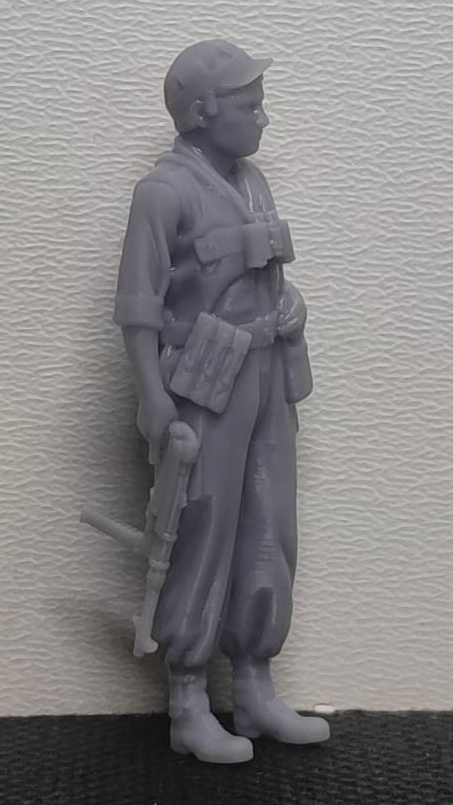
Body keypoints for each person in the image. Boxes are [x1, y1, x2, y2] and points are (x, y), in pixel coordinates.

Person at [114, 39, 330, 763]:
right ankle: (187, 699)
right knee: (202, 529)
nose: (262, 118)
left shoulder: (253, 183)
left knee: (269, 524)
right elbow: (138, 307)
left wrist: (291, 307)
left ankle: (255, 684)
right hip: (206, 381)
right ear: (203, 111)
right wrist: (151, 399)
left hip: (268, 372)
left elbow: (262, 276)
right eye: (249, 105)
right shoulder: (163, 192)